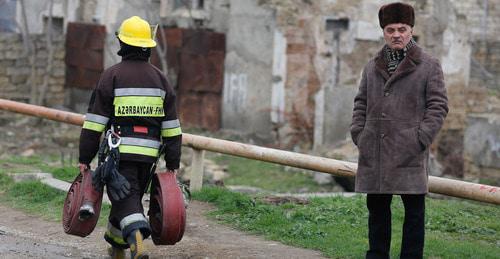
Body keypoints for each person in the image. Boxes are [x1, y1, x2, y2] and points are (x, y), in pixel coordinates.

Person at [78, 16, 182, 259]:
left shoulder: (111, 76)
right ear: (148, 46)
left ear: (122, 45)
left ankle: (137, 243)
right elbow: (172, 128)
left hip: (119, 154)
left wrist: (85, 157)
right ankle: (116, 249)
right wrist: (173, 162)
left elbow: (94, 124)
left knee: (125, 198)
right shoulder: (161, 79)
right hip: (148, 157)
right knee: (127, 197)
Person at [350, 2, 448, 258]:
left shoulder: (429, 65)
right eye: (390, 29)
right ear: (383, 31)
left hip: (410, 153)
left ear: (411, 30)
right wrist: (359, 134)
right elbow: (361, 102)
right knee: (378, 213)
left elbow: (438, 106)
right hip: (375, 151)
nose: (396, 34)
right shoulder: (372, 66)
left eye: (402, 29)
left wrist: (420, 139)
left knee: (414, 215)